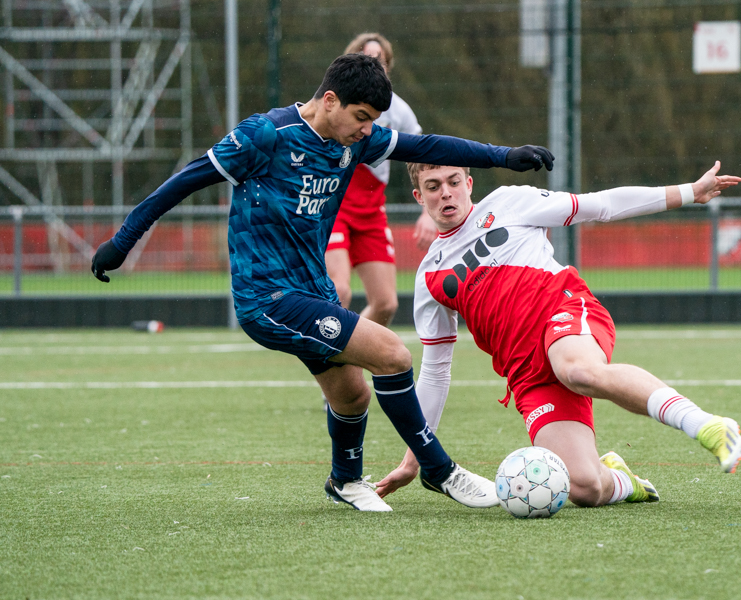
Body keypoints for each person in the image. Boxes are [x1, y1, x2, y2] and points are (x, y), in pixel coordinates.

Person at [90, 53, 554, 512]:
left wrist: (504, 156)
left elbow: (427, 146)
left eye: (373, 121)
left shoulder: (355, 142)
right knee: (392, 354)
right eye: (361, 117)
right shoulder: (265, 136)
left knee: (352, 394)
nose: (367, 129)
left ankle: (345, 481)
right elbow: (184, 182)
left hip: (314, 291)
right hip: (266, 297)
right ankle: (439, 469)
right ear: (330, 101)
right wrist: (122, 242)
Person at [375, 161, 741, 508]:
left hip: (563, 311)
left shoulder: (509, 202)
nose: (446, 193)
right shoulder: (429, 277)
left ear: (469, 183)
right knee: (585, 488)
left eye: (454, 182)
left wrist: (690, 192)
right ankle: (622, 479)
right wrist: (414, 459)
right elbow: (435, 372)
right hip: (526, 372)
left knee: (577, 370)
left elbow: (602, 205)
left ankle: (706, 425)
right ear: (419, 196)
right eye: (433, 186)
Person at [326, 32, 435, 326]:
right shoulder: (335, 103)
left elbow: (423, 156)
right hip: (334, 207)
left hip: (371, 210)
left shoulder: (398, 110)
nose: (375, 65)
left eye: (381, 61)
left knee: (386, 303)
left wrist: (428, 212)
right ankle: (329, 351)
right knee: (339, 291)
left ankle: (352, 346)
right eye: (368, 58)